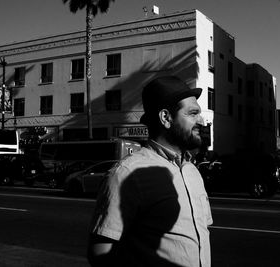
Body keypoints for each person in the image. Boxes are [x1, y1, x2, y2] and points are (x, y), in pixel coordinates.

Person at [87, 76, 212, 267]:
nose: (200, 121)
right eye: (192, 113)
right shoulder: (127, 173)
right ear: (166, 118)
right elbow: (101, 253)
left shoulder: (192, 171)